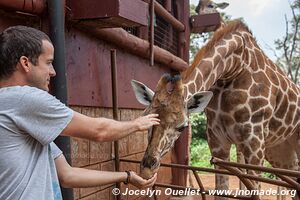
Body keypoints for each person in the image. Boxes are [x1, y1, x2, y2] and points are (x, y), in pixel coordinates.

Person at [0, 25, 160, 200]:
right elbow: (99, 131)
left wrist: (126, 176)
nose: (53, 72)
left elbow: (67, 175)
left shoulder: (23, 118)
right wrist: (137, 124)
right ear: (25, 63)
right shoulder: (24, 99)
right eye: (48, 62)